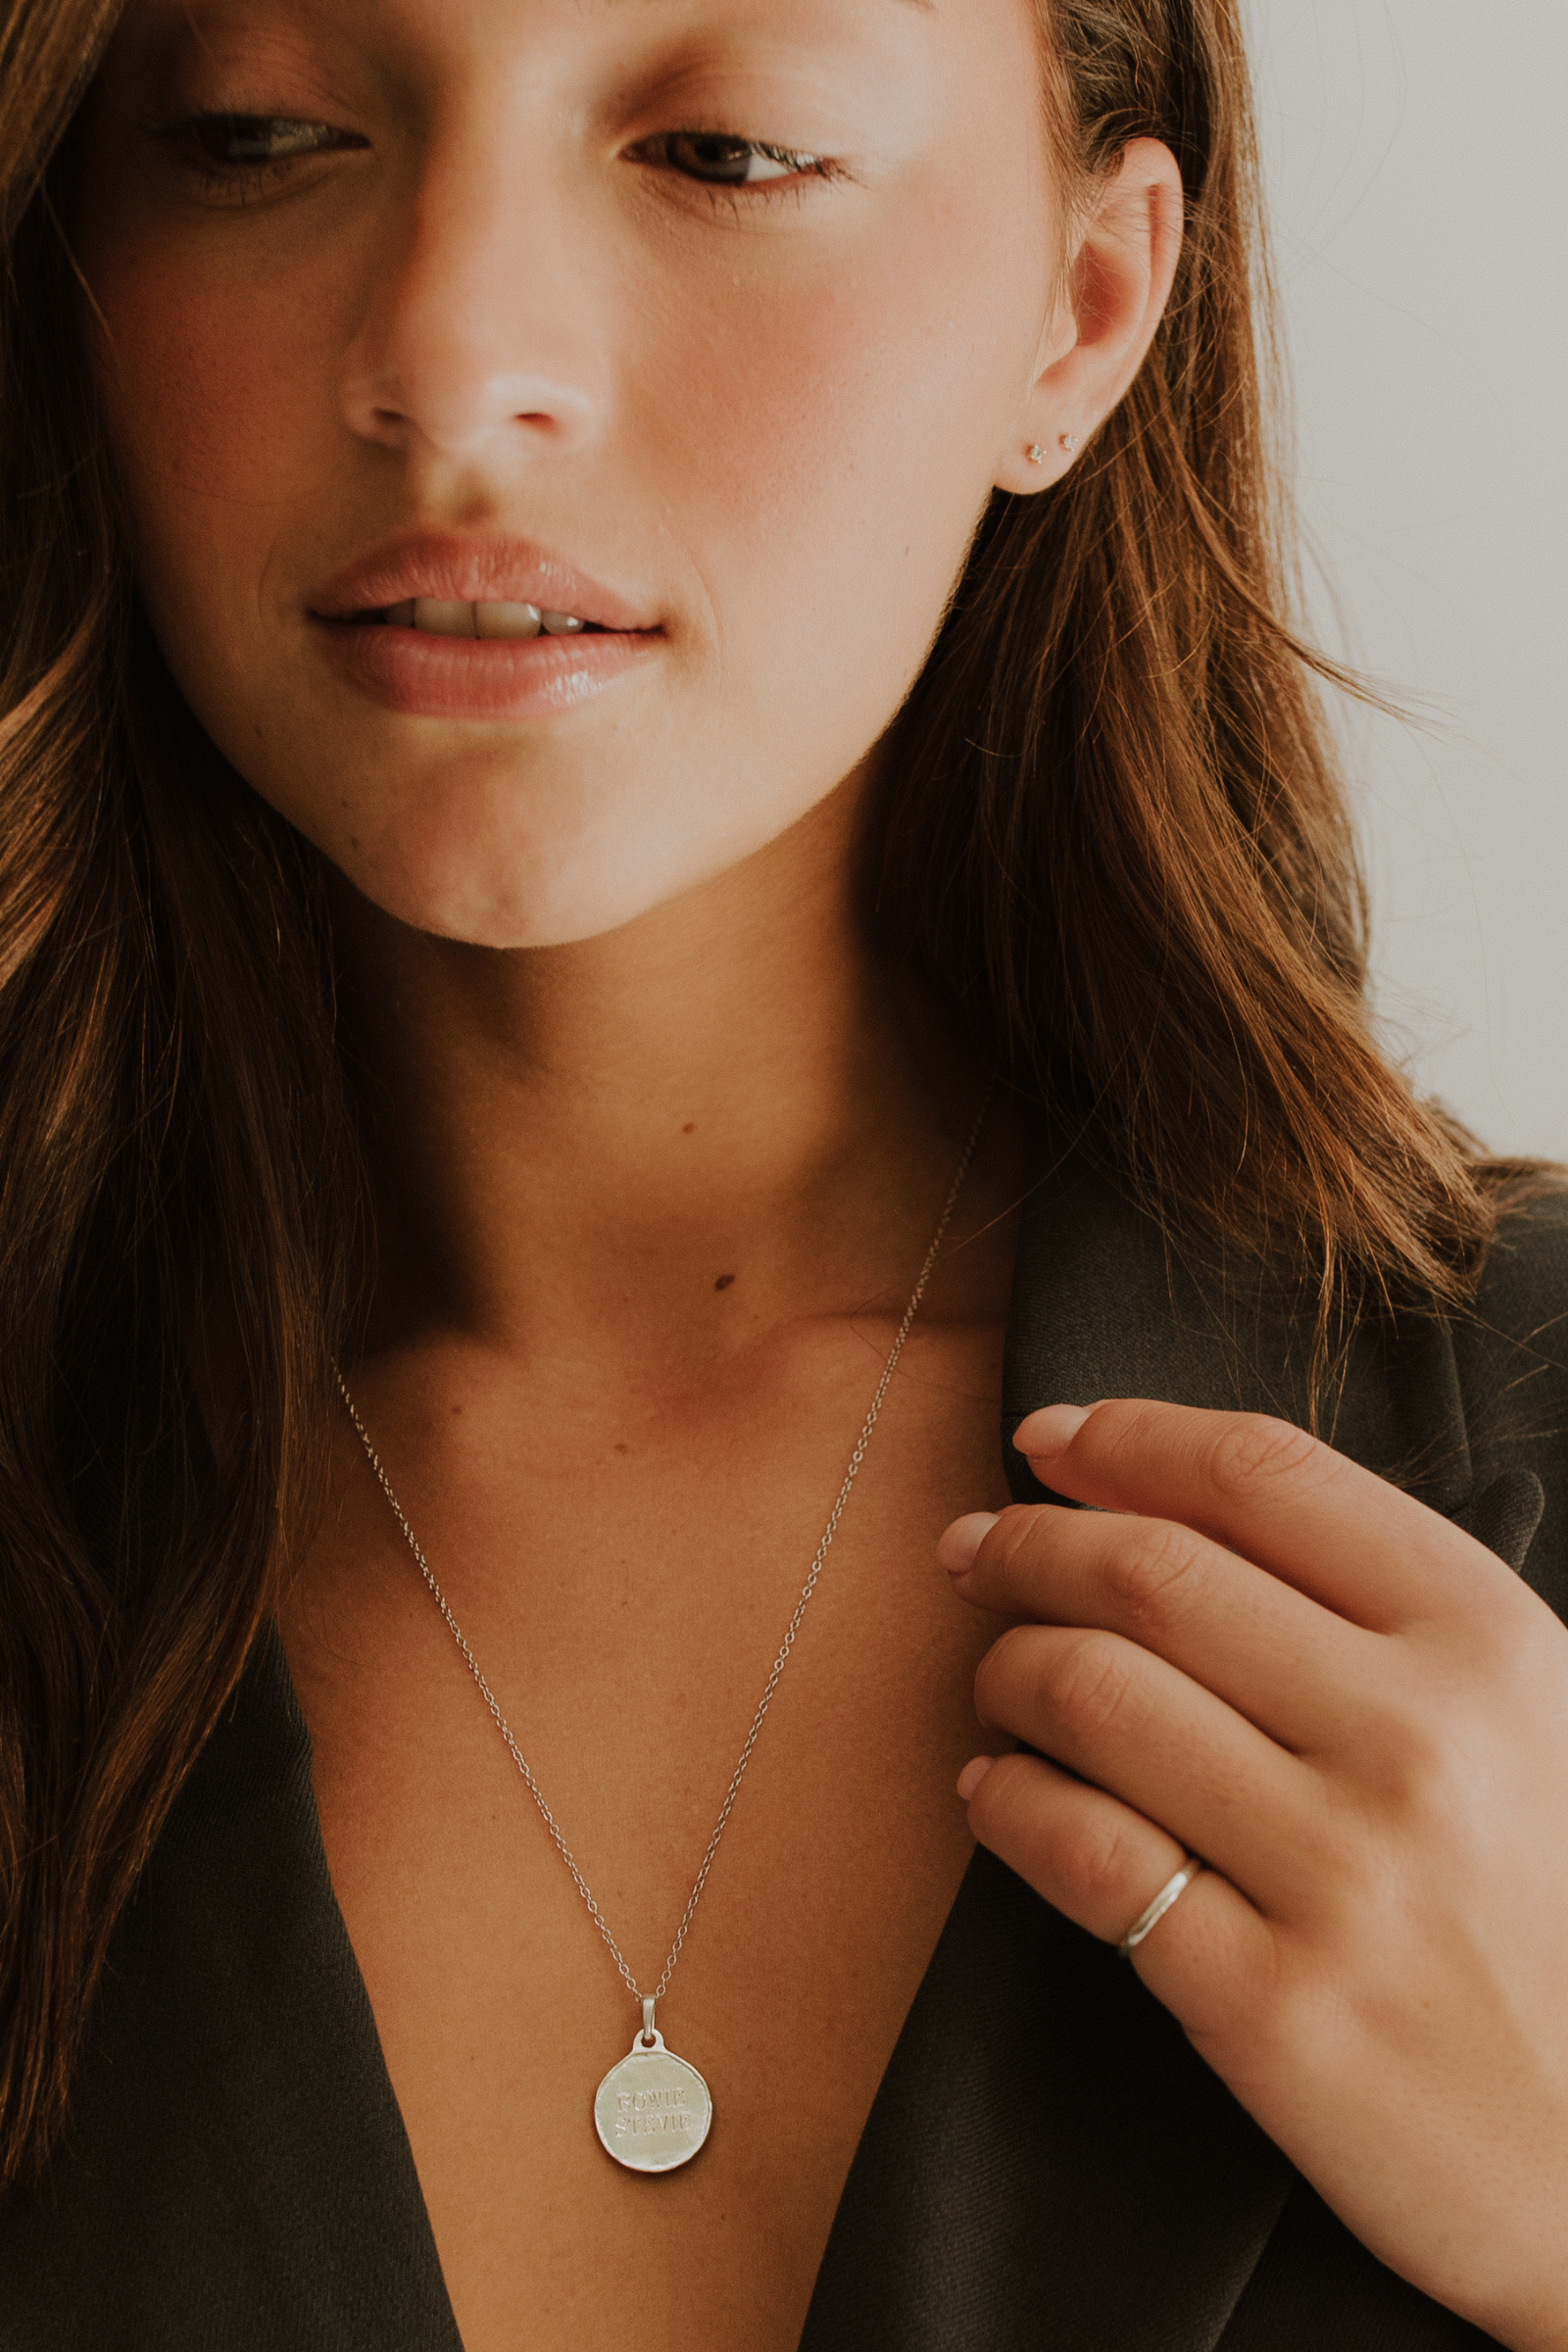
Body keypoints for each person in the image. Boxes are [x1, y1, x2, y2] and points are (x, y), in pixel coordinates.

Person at [0, 0, 1564, 2344]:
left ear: (1086, 305)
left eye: (722, 153)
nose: (453, 360)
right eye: (256, 133)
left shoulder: (1520, 1462)